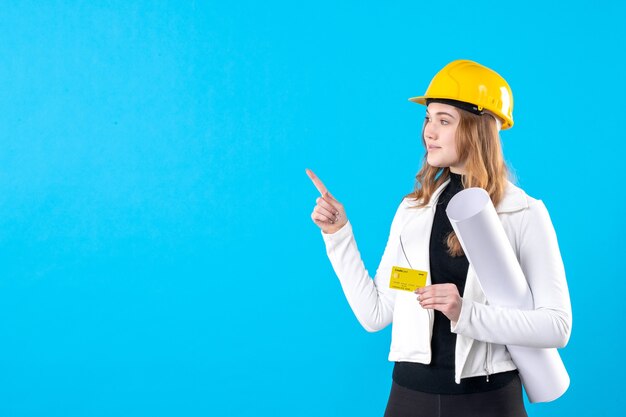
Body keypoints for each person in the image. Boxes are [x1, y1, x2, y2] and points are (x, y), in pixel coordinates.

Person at [305, 59, 572, 417]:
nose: (428, 132)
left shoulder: (523, 213)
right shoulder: (412, 210)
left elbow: (557, 327)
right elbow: (375, 314)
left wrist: (466, 312)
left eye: (444, 121)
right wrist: (338, 235)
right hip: (409, 398)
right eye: (428, 118)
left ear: (480, 129)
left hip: (489, 400)